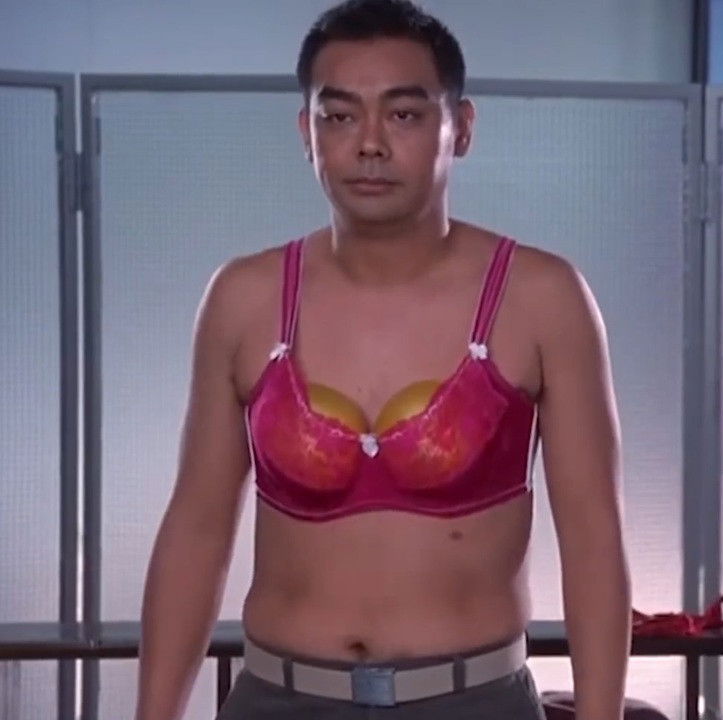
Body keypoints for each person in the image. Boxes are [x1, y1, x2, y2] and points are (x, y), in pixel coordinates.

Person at [134, 1, 631, 717]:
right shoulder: (244, 298)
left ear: (461, 127)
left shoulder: (542, 297)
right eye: (339, 116)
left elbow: (594, 540)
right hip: (280, 699)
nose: (369, 143)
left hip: (472, 701)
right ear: (307, 133)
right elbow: (196, 529)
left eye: (403, 114)